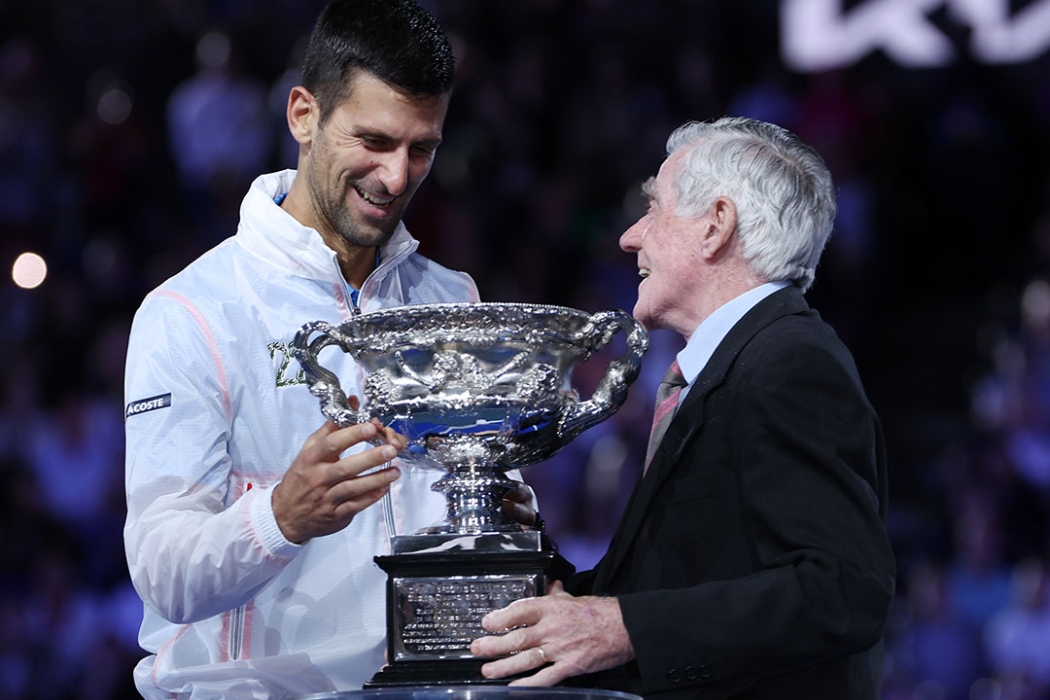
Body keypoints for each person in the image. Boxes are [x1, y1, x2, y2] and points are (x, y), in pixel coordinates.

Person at [122, 1, 535, 697]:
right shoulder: (190, 312)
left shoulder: (453, 299)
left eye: (421, 148)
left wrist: (507, 516)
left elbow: (490, 514)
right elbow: (164, 575)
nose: (397, 177)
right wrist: (279, 517)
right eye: (373, 140)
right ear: (303, 115)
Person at [470, 116, 896, 699]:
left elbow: (843, 591)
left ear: (716, 226)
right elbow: (682, 589)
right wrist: (550, 575)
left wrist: (621, 629)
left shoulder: (791, 364)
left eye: (654, 208)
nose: (630, 236)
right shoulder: (733, 367)